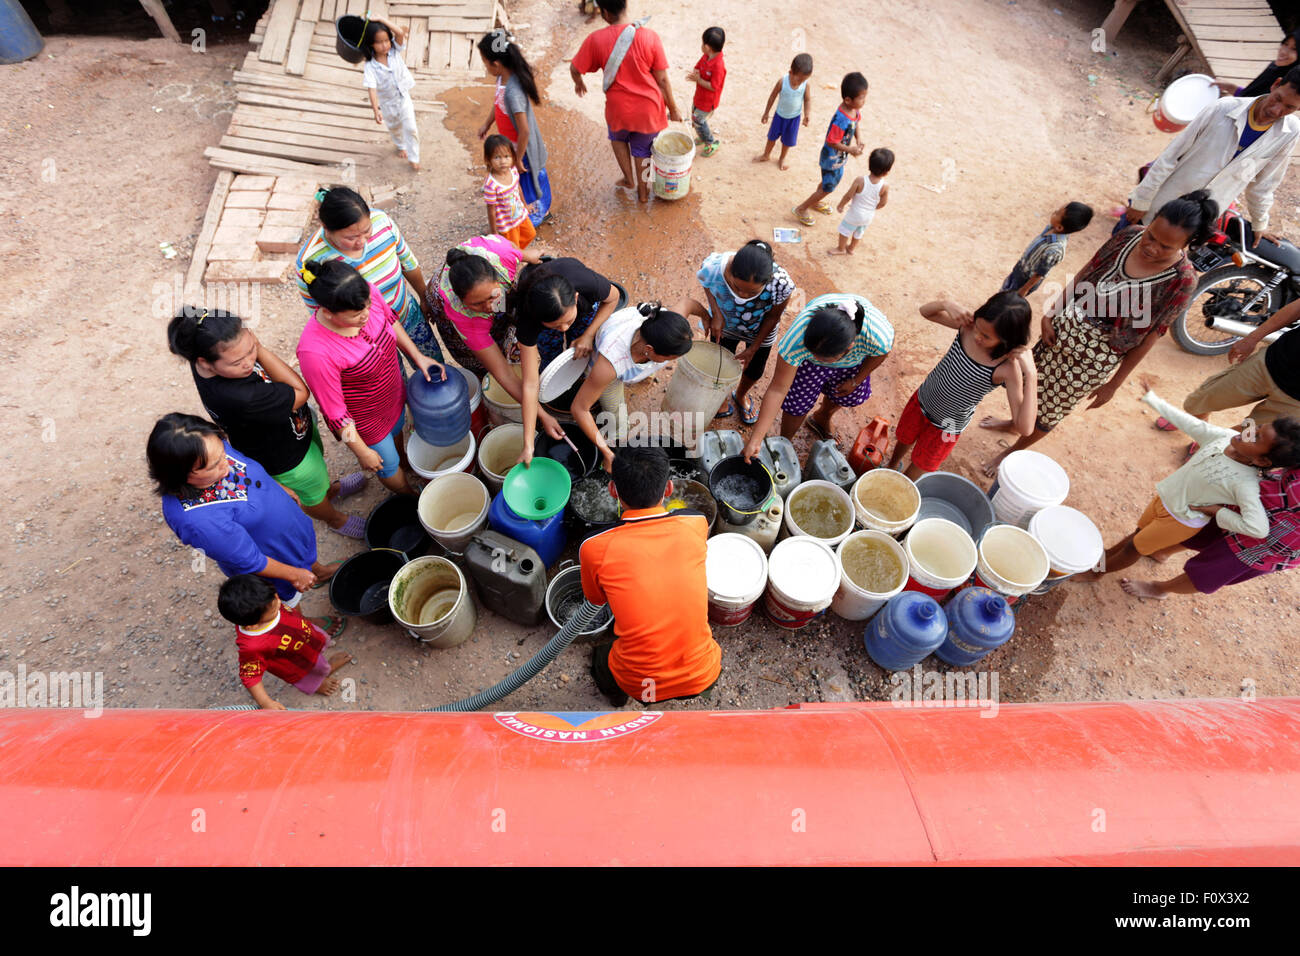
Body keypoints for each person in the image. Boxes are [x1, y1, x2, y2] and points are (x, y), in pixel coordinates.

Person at [980, 191, 1212, 477]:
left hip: (1094, 361)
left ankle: (1011, 452)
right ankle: (1014, 422)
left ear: (1187, 245)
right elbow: (1084, 274)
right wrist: (1051, 315)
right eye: (1151, 235)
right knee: (1029, 385)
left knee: (1051, 409)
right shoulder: (1128, 236)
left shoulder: (1182, 281)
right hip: (1061, 331)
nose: (1151, 247)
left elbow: (1151, 335)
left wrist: (1114, 383)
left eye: (1165, 246)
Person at [167, 306, 368, 539]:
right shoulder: (242, 397)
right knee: (310, 494)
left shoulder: (201, 351)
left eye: (250, 349)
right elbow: (301, 391)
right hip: (286, 459)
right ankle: (334, 519)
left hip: (290, 431)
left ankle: (329, 490)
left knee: (317, 481)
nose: (249, 363)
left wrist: (246, 352)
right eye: (237, 361)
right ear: (206, 361)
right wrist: (260, 348)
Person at [1078, 382, 1300, 583]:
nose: (1249, 432)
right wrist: (1153, 400)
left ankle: (1096, 573)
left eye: (1257, 438)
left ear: (1262, 459)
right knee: (1138, 534)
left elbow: (1258, 528)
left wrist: (1215, 512)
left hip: (1180, 521)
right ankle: (1106, 557)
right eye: (1257, 429)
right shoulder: (1222, 437)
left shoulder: (1246, 484)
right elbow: (1191, 424)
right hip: (1163, 501)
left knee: (1133, 548)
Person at [580, 446, 721, 707]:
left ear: (613, 492)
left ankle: (617, 699)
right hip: (703, 675)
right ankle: (698, 692)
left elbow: (596, 599)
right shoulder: (696, 524)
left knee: (603, 657)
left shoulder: (594, 547)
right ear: (668, 489)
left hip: (640, 685)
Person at [149, 413, 340, 605]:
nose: (226, 463)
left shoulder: (212, 450)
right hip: (275, 561)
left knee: (304, 552)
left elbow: (249, 468)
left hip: (289, 534)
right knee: (287, 598)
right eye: (213, 465)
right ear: (179, 474)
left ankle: (318, 571)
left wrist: (279, 488)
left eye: (222, 450)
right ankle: (306, 626)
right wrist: (294, 575)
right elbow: (251, 561)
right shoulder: (197, 522)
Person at [296, 259, 444, 497]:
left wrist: (418, 357)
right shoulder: (315, 352)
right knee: (386, 466)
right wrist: (360, 450)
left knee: (398, 434)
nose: (367, 313)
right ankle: (409, 495)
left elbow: (390, 320)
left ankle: (405, 464)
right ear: (326, 312)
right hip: (366, 420)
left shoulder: (364, 293)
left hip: (394, 392)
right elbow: (336, 415)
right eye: (356, 314)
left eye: (367, 305)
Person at [1120, 65, 1300, 246]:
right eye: (1277, 99)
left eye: (1289, 108)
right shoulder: (1222, 109)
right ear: (1276, 85)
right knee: (1120, 251)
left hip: (1195, 224)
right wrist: (1142, 200)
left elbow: (1264, 184)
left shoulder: (1290, 132)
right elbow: (1171, 156)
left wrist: (1259, 223)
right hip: (1160, 205)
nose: (1276, 110)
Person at [423, 235, 561, 439]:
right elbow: (503, 374)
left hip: (471, 265)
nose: (488, 307)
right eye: (477, 304)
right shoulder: (464, 317)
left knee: (505, 324)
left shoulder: (502, 255)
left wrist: (527, 255)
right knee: (481, 362)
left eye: (491, 297)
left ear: (498, 278)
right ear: (462, 301)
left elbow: (516, 253)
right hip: (444, 295)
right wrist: (541, 414)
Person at [888, 293, 1036, 479]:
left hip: (947, 427)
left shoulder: (1006, 367)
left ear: (1008, 340)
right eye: (978, 328)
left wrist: (1031, 375)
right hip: (921, 402)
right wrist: (945, 303)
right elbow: (926, 312)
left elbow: (1025, 428)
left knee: (921, 464)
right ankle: (890, 466)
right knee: (903, 438)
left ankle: (902, 483)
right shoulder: (967, 328)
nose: (977, 336)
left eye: (986, 336)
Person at [296, 186, 444, 364]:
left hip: (404, 310)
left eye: (367, 231)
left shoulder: (382, 222)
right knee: (392, 379)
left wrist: (423, 296)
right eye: (351, 238)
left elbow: (408, 262)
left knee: (432, 364)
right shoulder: (311, 260)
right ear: (326, 227)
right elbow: (318, 311)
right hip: (368, 334)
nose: (362, 242)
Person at [742, 292, 895, 461]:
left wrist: (856, 380)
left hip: (852, 363)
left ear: (849, 348)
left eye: (822, 358)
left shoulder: (877, 335)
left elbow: (882, 353)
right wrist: (756, 438)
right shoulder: (797, 339)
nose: (816, 359)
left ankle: (822, 416)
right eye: (812, 353)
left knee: (845, 393)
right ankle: (785, 442)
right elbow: (778, 389)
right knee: (798, 402)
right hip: (812, 360)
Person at [1119, 466, 1300, 600]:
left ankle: (1160, 588)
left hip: (1277, 541)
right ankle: (1162, 552)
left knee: (1210, 573)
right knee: (1201, 532)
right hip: (1252, 499)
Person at [509, 257, 624, 463]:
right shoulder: (528, 319)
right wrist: (528, 444)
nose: (564, 329)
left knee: (581, 348)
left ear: (576, 296)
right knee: (550, 356)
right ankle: (558, 387)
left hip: (583, 310)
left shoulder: (586, 283)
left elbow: (613, 299)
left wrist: (588, 334)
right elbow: (530, 383)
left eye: (567, 321)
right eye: (556, 325)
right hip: (543, 312)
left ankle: (579, 376)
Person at [569, 0, 682, 203]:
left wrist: (579, 83)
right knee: (643, 151)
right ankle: (643, 192)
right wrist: (673, 109)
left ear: (605, 13)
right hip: (648, 110)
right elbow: (663, 80)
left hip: (618, 109)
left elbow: (575, 68)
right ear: (625, 5)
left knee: (618, 139)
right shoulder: (650, 37)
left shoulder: (595, 39)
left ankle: (628, 179)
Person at [675, 239, 796, 424]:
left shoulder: (781, 284)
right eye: (737, 288)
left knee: (755, 369)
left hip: (761, 330)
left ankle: (740, 395)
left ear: (767, 281)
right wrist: (715, 312)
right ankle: (721, 399)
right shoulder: (715, 267)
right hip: (726, 325)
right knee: (720, 364)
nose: (743, 296)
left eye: (752, 292)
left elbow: (773, 317)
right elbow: (706, 282)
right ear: (730, 270)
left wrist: (754, 348)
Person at [571, 304, 694, 472]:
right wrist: (607, 453)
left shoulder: (668, 326)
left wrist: (710, 317)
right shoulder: (611, 362)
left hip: (637, 358)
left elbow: (688, 303)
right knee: (619, 423)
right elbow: (579, 408)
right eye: (670, 357)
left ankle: (638, 373)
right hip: (609, 371)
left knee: (640, 371)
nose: (672, 361)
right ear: (649, 350)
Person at [1173, 298, 1300, 454]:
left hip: (1294, 403)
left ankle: (1206, 449)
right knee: (1196, 404)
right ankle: (1202, 433)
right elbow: (1297, 308)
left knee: (1250, 439)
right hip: (1270, 363)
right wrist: (1253, 337)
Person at [218, 574, 354, 710]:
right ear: (251, 626)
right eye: (274, 609)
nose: (279, 602)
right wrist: (266, 703)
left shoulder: (266, 603)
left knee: (317, 653)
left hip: (305, 637)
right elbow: (250, 676)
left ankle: (323, 668)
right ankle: (320, 682)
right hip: (298, 663)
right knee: (312, 672)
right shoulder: (252, 646)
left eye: (275, 596)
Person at [477, 29, 551, 226]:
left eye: (485, 63)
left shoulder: (513, 92)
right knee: (521, 182)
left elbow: (524, 130)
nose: (485, 68)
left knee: (529, 181)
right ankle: (527, 211)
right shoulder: (502, 79)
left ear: (497, 64)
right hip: (512, 146)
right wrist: (487, 123)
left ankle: (538, 214)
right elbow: (497, 104)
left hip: (522, 149)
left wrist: (517, 158)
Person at [792, 72, 868, 226]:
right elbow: (832, 141)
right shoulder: (842, 119)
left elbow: (856, 123)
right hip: (831, 159)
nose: (864, 101)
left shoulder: (854, 110)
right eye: (861, 98)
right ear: (847, 99)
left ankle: (815, 201)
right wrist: (850, 149)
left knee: (826, 183)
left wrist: (858, 139)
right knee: (828, 188)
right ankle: (801, 208)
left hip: (839, 157)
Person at [1000, 201, 1095, 296]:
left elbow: (1040, 273)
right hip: (1021, 268)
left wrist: (1024, 290)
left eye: (1057, 213)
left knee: (1007, 298)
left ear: (1059, 227)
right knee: (1004, 290)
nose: (1054, 212)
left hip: (1025, 279)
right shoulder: (1051, 229)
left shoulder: (1054, 249)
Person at [360, 20, 419, 171]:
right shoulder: (370, 66)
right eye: (379, 42)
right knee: (394, 127)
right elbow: (371, 89)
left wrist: (380, 19)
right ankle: (401, 145)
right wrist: (376, 110)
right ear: (371, 44)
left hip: (403, 97)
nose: (385, 45)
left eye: (386, 40)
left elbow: (400, 33)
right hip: (387, 103)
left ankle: (414, 158)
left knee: (411, 127)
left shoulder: (395, 52)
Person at [831, 147, 893, 256]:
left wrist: (841, 205)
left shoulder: (860, 180)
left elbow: (848, 196)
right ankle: (851, 248)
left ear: (870, 164)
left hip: (854, 214)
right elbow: (883, 203)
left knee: (845, 231)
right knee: (859, 233)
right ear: (887, 172)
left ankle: (841, 249)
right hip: (868, 216)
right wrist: (874, 208)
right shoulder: (885, 186)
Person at [755, 53, 813, 170]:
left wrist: (807, 114)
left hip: (794, 118)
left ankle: (782, 158)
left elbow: (807, 100)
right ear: (791, 72)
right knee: (772, 137)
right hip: (779, 116)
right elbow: (772, 97)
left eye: (804, 80)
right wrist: (766, 112)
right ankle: (766, 154)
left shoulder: (805, 85)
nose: (801, 82)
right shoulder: (782, 82)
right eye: (799, 79)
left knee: (787, 141)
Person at [482, 134, 536, 249]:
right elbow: (491, 210)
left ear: (512, 156)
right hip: (507, 225)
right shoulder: (491, 185)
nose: (503, 161)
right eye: (497, 157)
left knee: (531, 234)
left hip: (520, 215)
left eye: (507, 156)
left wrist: (525, 205)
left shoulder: (513, 171)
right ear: (488, 159)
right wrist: (494, 232)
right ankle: (514, 257)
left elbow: (519, 188)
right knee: (513, 246)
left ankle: (515, 253)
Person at [1213, 29, 1299, 98]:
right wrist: (1231, 88)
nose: (1283, 51)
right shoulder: (1274, 69)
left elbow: (1259, 110)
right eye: (1285, 44)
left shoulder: (1290, 86)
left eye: (1294, 49)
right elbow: (1250, 98)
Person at [687, 26, 726, 157]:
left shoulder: (718, 66)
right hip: (699, 97)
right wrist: (696, 72)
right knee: (695, 117)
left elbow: (714, 86)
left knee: (698, 120)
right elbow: (697, 66)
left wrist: (698, 80)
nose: (701, 46)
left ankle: (710, 141)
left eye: (702, 43)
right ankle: (702, 136)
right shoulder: (705, 56)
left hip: (708, 102)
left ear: (708, 47)